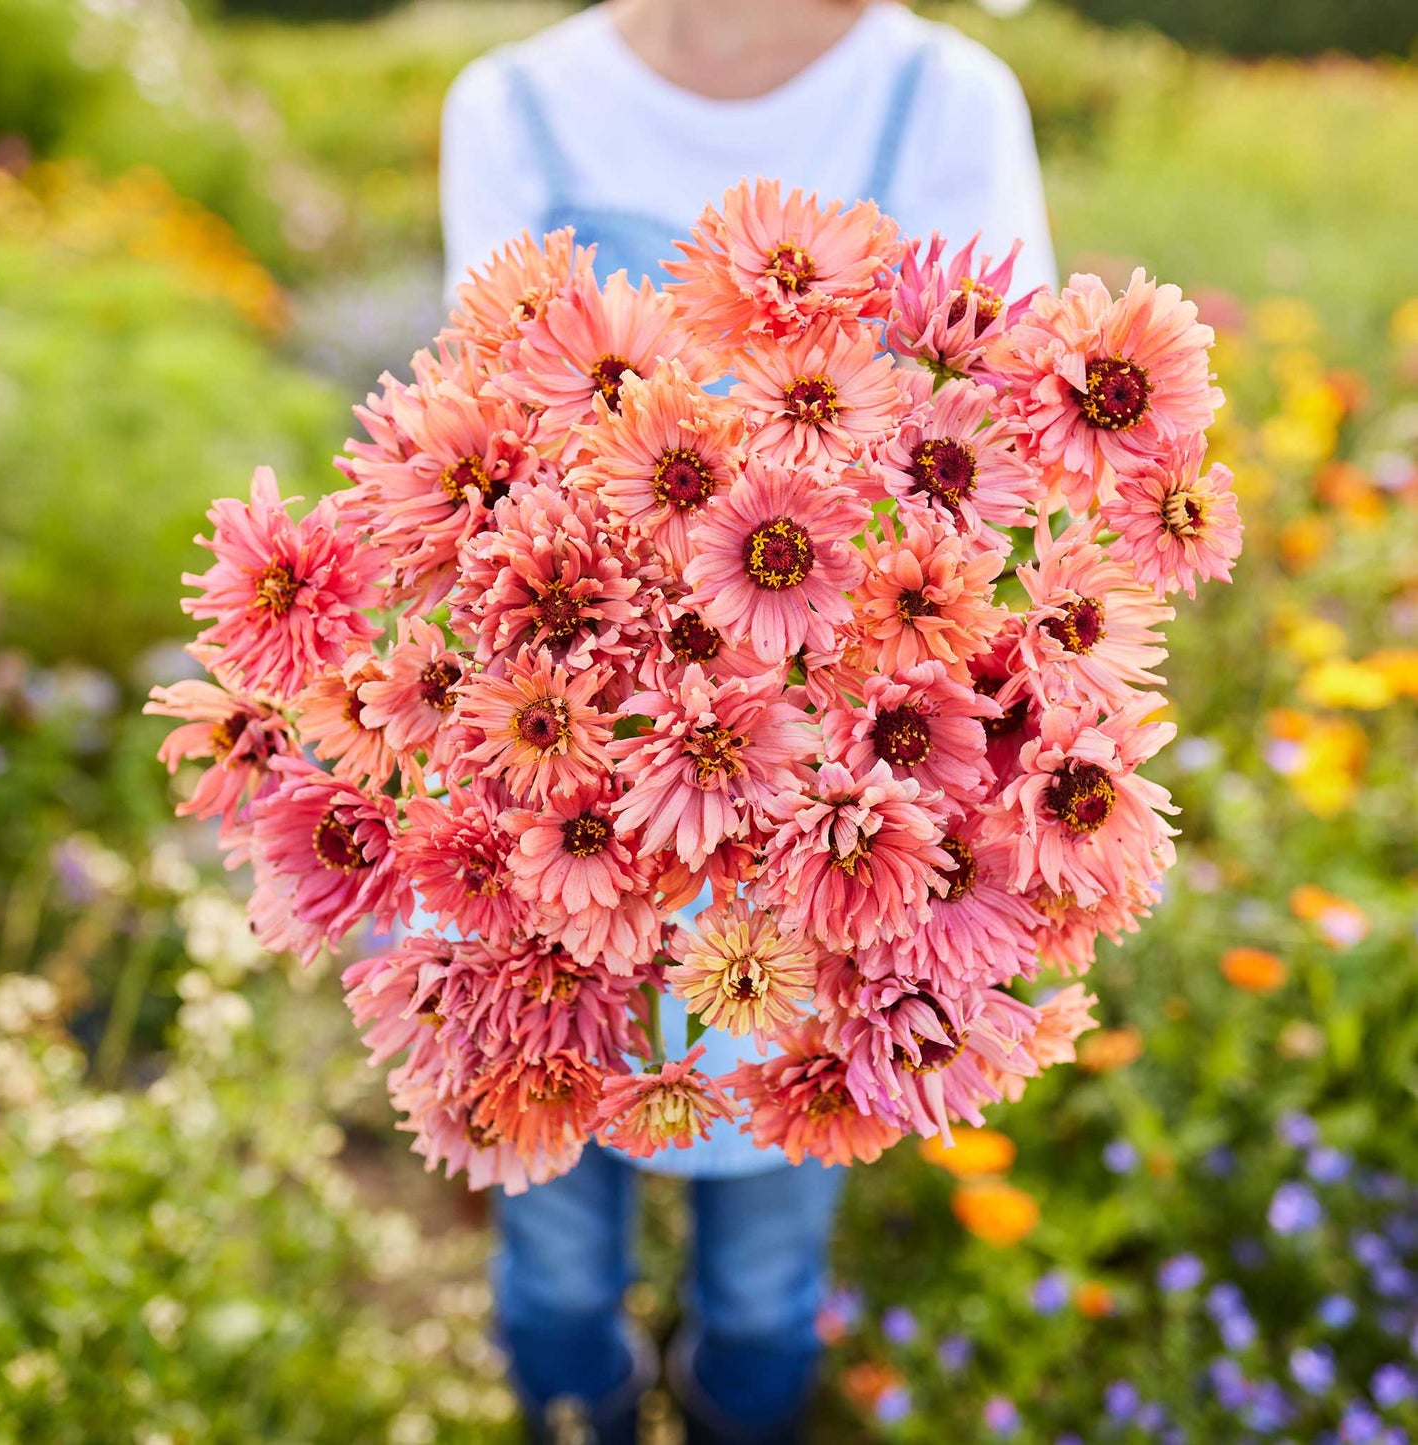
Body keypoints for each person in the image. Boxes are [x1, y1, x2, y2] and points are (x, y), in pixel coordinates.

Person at [438, 2, 1055, 1440]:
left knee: (774, 1265)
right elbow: (480, 433)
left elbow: (1013, 441)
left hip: (837, 813)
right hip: (560, 769)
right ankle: (572, 1405)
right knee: (551, 1238)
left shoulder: (947, 97)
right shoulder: (511, 100)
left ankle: (738, 1407)